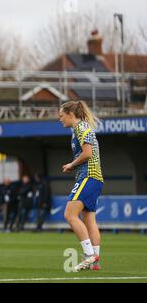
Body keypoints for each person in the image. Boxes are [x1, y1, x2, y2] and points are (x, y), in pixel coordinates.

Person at [59, 100, 103, 271]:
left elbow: (87, 153)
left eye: (61, 116)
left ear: (71, 114)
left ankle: (89, 255)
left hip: (89, 176)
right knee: (89, 220)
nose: (60, 119)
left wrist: (71, 164)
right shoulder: (79, 128)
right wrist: (74, 166)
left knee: (69, 214)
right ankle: (95, 263)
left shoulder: (81, 128)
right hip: (93, 178)